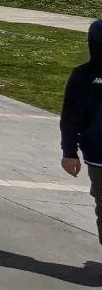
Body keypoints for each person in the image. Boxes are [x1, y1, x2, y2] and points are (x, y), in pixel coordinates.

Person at [60, 19, 102, 243]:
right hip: (98, 155)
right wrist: (69, 151)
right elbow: (70, 117)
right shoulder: (84, 76)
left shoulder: (83, 75)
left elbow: (69, 118)